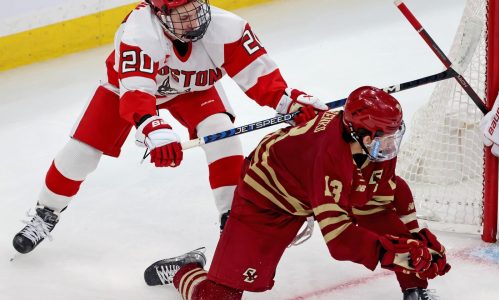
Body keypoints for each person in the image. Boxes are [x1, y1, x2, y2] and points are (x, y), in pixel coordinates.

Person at [12, 0, 327, 254]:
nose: (193, 23)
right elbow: (136, 94)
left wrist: (290, 102)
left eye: (196, 10)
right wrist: (154, 129)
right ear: (157, 13)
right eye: (181, 17)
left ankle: (233, 219)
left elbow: (261, 79)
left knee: (222, 133)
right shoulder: (137, 32)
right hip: (125, 90)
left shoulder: (227, 27)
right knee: (81, 153)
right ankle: (46, 213)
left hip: (194, 90)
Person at [143, 86, 450, 300]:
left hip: (310, 185)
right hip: (268, 198)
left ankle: (413, 291)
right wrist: (396, 253)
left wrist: (416, 248)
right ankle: (187, 270)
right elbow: (340, 241)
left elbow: (384, 204)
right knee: (217, 297)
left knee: (381, 207)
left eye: (394, 137)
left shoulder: (376, 143)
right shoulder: (330, 157)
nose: (390, 148)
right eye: (383, 139)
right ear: (358, 133)